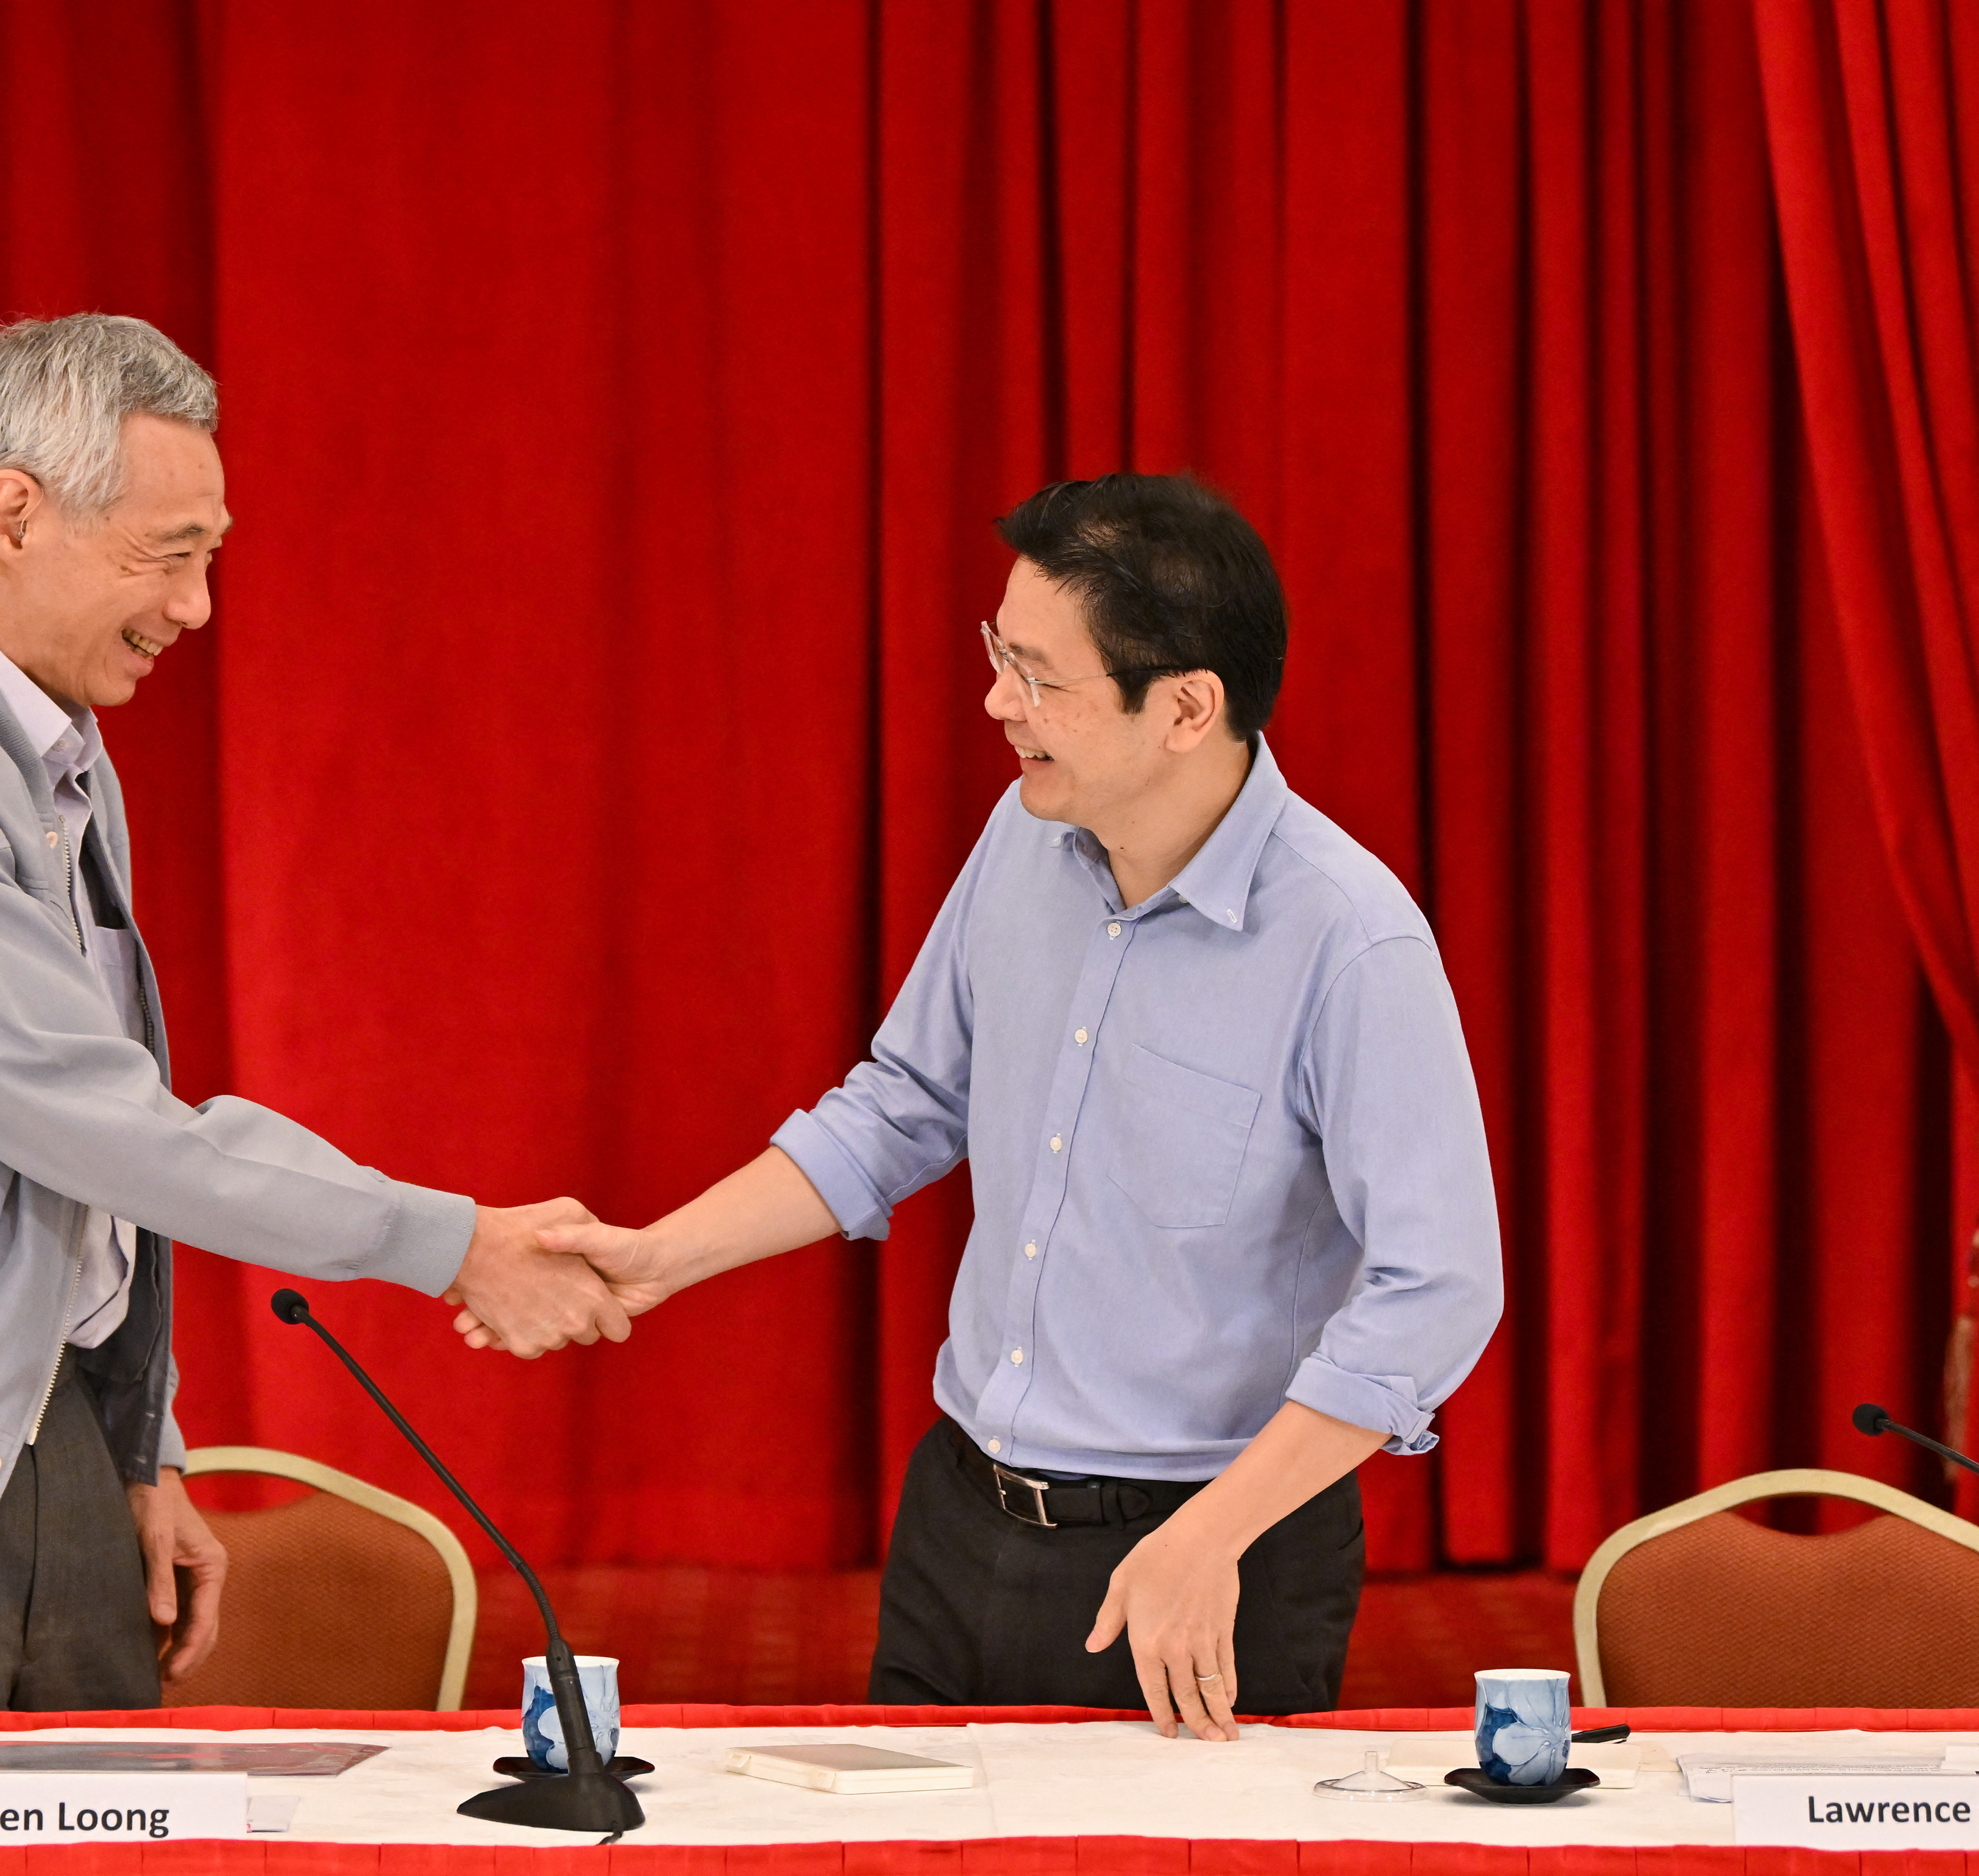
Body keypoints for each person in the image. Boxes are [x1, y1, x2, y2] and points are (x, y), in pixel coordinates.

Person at [0, 313, 625, 1713]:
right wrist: (450, 1242)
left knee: (105, 1815)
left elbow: (72, 1172)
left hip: (36, 1419)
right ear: (13, 514)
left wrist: (138, 1442)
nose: (195, 607)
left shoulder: (51, 742)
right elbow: (85, 1117)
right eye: (166, 555)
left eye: (207, 556)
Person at [506, 474, 1503, 1737]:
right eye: (998, 655)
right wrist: (661, 1254)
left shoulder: (1350, 941)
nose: (997, 702)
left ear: (1186, 706)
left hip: (1202, 1555)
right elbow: (903, 1102)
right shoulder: (1025, 837)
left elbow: (1441, 1285)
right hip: (960, 1516)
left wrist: (1218, 1533)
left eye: (1039, 676)